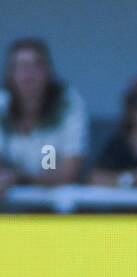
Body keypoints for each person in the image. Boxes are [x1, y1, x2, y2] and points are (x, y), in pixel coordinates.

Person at [0, 39, 88, 194]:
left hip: (57, 206)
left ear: (48, 71)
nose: (28, 74)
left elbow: (67, 172)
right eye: (21, 66)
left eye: (36, 65)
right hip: (11, 206)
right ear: (10, 74)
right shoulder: (2, 103)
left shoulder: (67, 103)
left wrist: (20, 178)